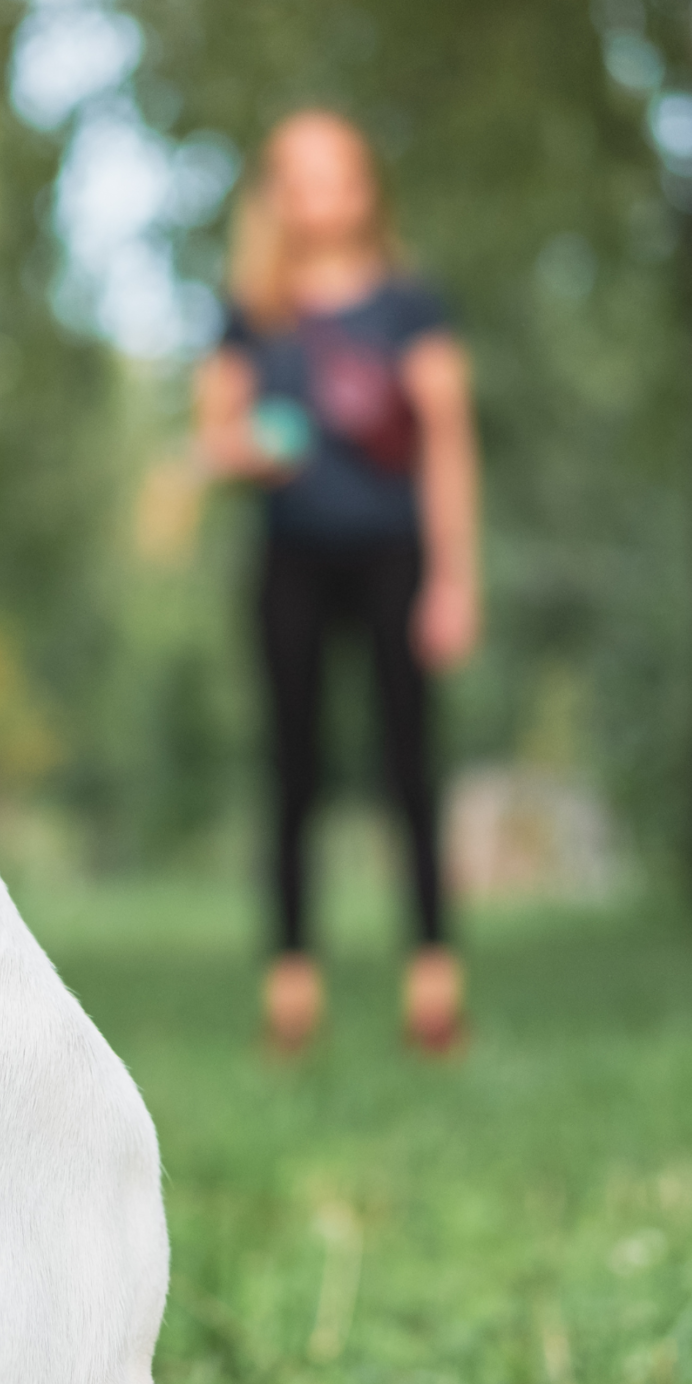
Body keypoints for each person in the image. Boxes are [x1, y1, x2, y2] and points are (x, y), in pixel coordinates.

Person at [193, 109, 483, 1055]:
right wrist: (247, 450)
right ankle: (291, 990)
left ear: (366, 191)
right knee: (293, 772)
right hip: (294, 562)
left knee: (411, 769)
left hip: (396, 558)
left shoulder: (410, 307)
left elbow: (448, 445)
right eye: (304, 178)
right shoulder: (253, 315)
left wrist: (455, 580)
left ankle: (434, 985)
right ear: (278, 197)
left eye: (341, 175)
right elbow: (213, 436)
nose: (325, 196)